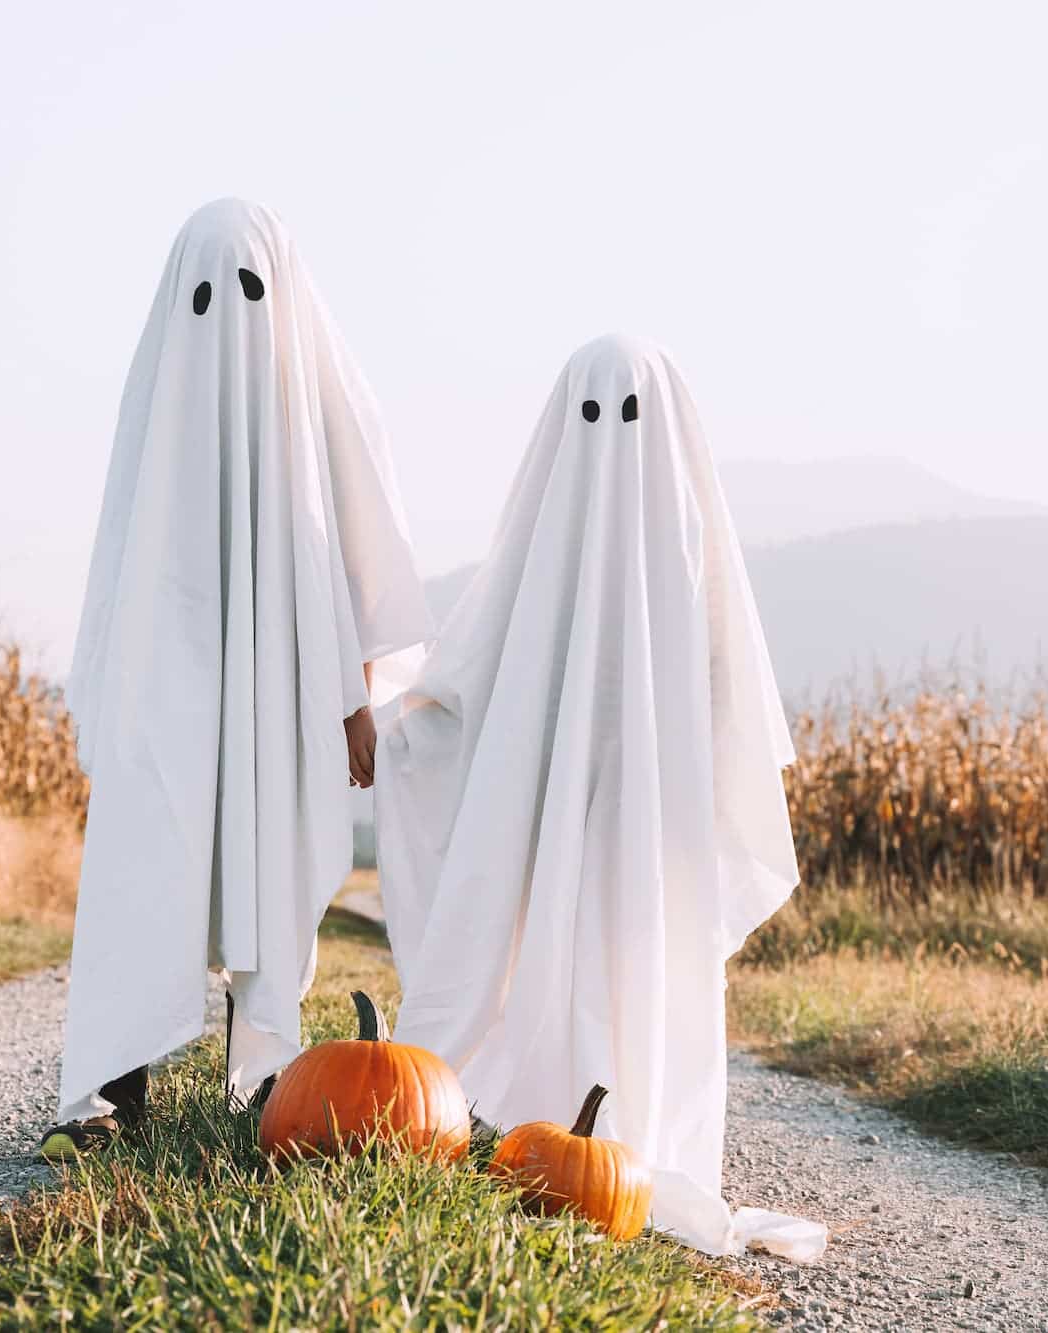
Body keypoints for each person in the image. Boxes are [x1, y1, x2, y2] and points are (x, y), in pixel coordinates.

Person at [374, 334, 824, 1260]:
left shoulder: (689, 553)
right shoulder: (545, 549)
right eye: (592, 416)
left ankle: (612, 1119)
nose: (611, 443)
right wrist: (410, 713)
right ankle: (558, 1112)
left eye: (630, 419)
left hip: (653, 816)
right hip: (553, 805)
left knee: (635, 942)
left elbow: (729, 689)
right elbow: (479, 665)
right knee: (554, 929)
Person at [42, 199, 432, 1156]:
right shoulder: (155, 419)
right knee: (146, 860)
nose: (227, 317)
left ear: (285, 298)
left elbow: (362, 550)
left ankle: (263, 1074)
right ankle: (110, 1086)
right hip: (163, 683)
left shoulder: (320, 408)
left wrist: (356, 696)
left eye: (249, 292)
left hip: (287, 684)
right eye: (207, 296)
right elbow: (115, 573)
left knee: (272, 854)